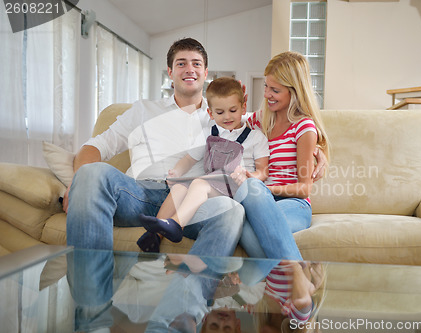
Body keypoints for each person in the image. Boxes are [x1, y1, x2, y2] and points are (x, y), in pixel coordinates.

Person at [64, 38, 244, 261]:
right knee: (90, 173)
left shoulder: (224, 117)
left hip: (188, 203)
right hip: (138, 194)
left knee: (231, 210)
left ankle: (189, 292)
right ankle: (90, 293)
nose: (190, 69)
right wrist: (78, 180)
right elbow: (96, 146)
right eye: (181, 63)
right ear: (170, 71)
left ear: (206, 72)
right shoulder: (143, 110)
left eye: (196, 64)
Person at [138, 77, 269, 245]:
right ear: (211, 113)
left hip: (238, 190)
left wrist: (249, 176)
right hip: (211, 189)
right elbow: (188, 159)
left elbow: (263, 171)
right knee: (179, 188)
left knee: (199, 183)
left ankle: (176, 224)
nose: (227, 117)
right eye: (220, 112)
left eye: (233, 110)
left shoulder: (256, 137)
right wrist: (176, 172)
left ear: (243, 108)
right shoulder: (208, 133)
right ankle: (155, 235)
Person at [234, 51, 330, 262]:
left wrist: (264, 189)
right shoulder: (260, 120)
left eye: (275, 90)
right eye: (266, 87)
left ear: (294, 92)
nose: (267, 94)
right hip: (261, 201)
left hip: (294, 203)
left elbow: (305, 188)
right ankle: (297, 282)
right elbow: (225, 122)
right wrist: (235, 101)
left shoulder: (303, 127)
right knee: (241, 220)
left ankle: (291, 281)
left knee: (248, 227)